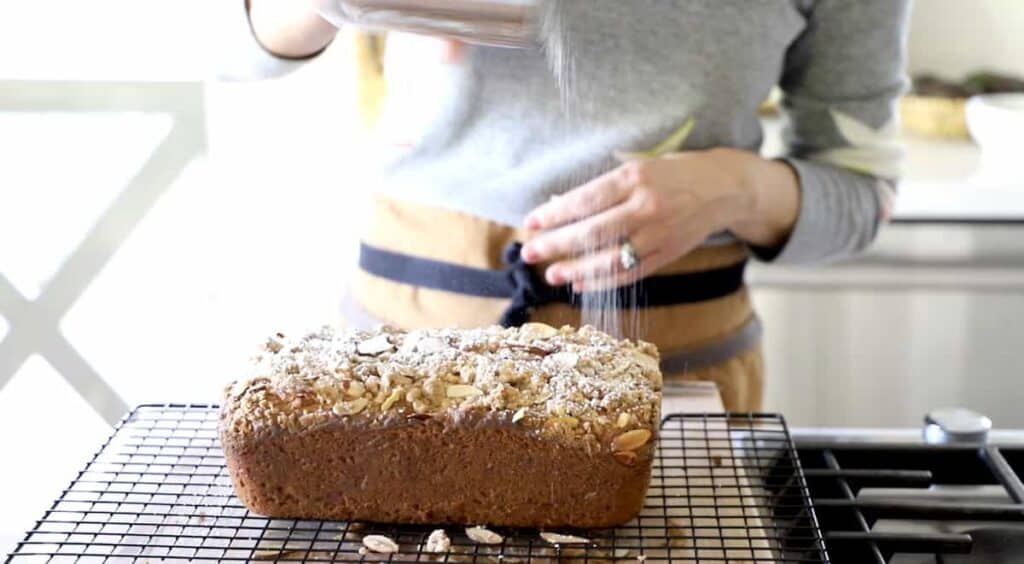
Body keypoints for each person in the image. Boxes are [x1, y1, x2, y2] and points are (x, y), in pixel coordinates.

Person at [221, 0, 909, 411]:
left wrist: (735, 185)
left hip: (678, 389)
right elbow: (224, 42)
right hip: (397, 365)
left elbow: (862, 190)